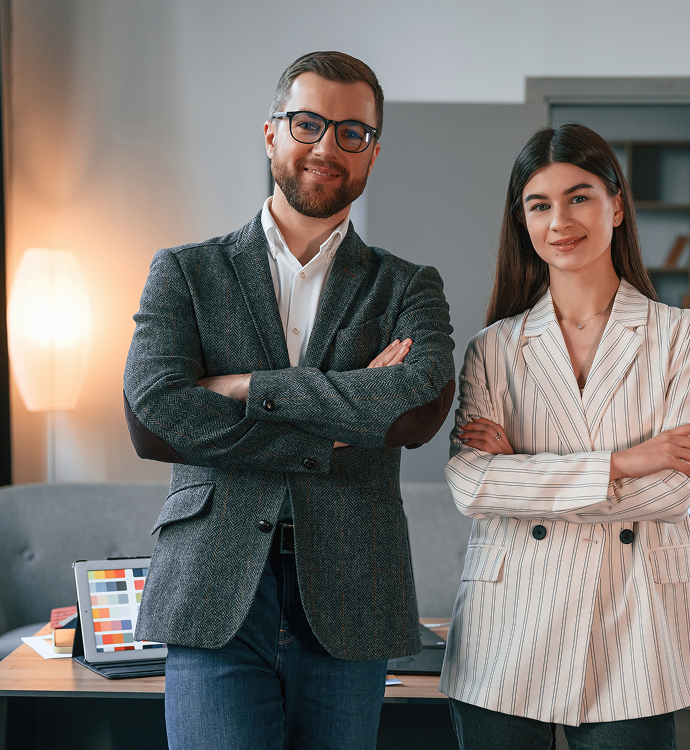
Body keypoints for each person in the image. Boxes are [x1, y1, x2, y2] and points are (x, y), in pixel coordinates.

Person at [123, 51, 455, 750]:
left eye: (350, 133)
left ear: (372, 153)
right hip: (213, 589)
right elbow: (156, 414)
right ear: (272, 132)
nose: (326, 146)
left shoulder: (407, 286)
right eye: (308, 124)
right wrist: (337, 421)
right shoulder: (185, 271)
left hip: (352, 590)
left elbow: (417, 407)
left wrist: (248, 387)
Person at [440, 124, 690, 749]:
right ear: (523, 222)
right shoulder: (494, 348)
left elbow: (672, 493)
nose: (560, 220)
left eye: (579, 197)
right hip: (507, 628)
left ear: (616, 206)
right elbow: (470, 486)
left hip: (635, 627)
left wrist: (524, 476)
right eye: (539, 204)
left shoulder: (683, 336)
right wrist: (625, 461)